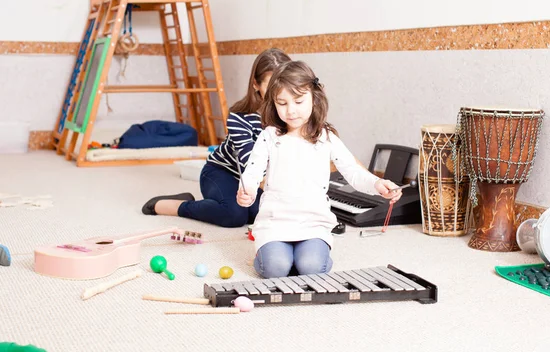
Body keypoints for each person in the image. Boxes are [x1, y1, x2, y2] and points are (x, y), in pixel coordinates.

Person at [237, 60, 404, 278]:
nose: (291, 111)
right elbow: (253, 171)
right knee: (275, 269)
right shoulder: (269, 136)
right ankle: (276, 255)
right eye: (282, 103)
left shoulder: (326, 137)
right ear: (273, 104)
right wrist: (247, 190)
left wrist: (376, 183)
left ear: (314, 98)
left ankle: (304, 254)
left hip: (313, 223)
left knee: (311, 268)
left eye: (298, 101)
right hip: (275, 223)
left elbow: (352, 171)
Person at [142, 48, 292, 227]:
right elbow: (251, 164)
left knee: (259, 213)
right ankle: (177, 206)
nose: (278, 93)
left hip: (257, 181)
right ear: (255, 84)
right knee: (234, 215)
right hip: (223, 172)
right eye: (271, 85)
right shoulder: (239, 116)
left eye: (283, 84)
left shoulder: (292, 114)